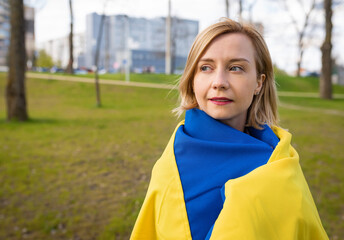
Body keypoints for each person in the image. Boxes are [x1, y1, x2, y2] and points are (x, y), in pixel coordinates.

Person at [130, 19, 328, 240]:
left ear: (258, 83)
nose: (219, 82)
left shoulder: (281, 161)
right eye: (206, 67)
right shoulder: (171, 166)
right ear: (193, 80)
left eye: (236, 68)